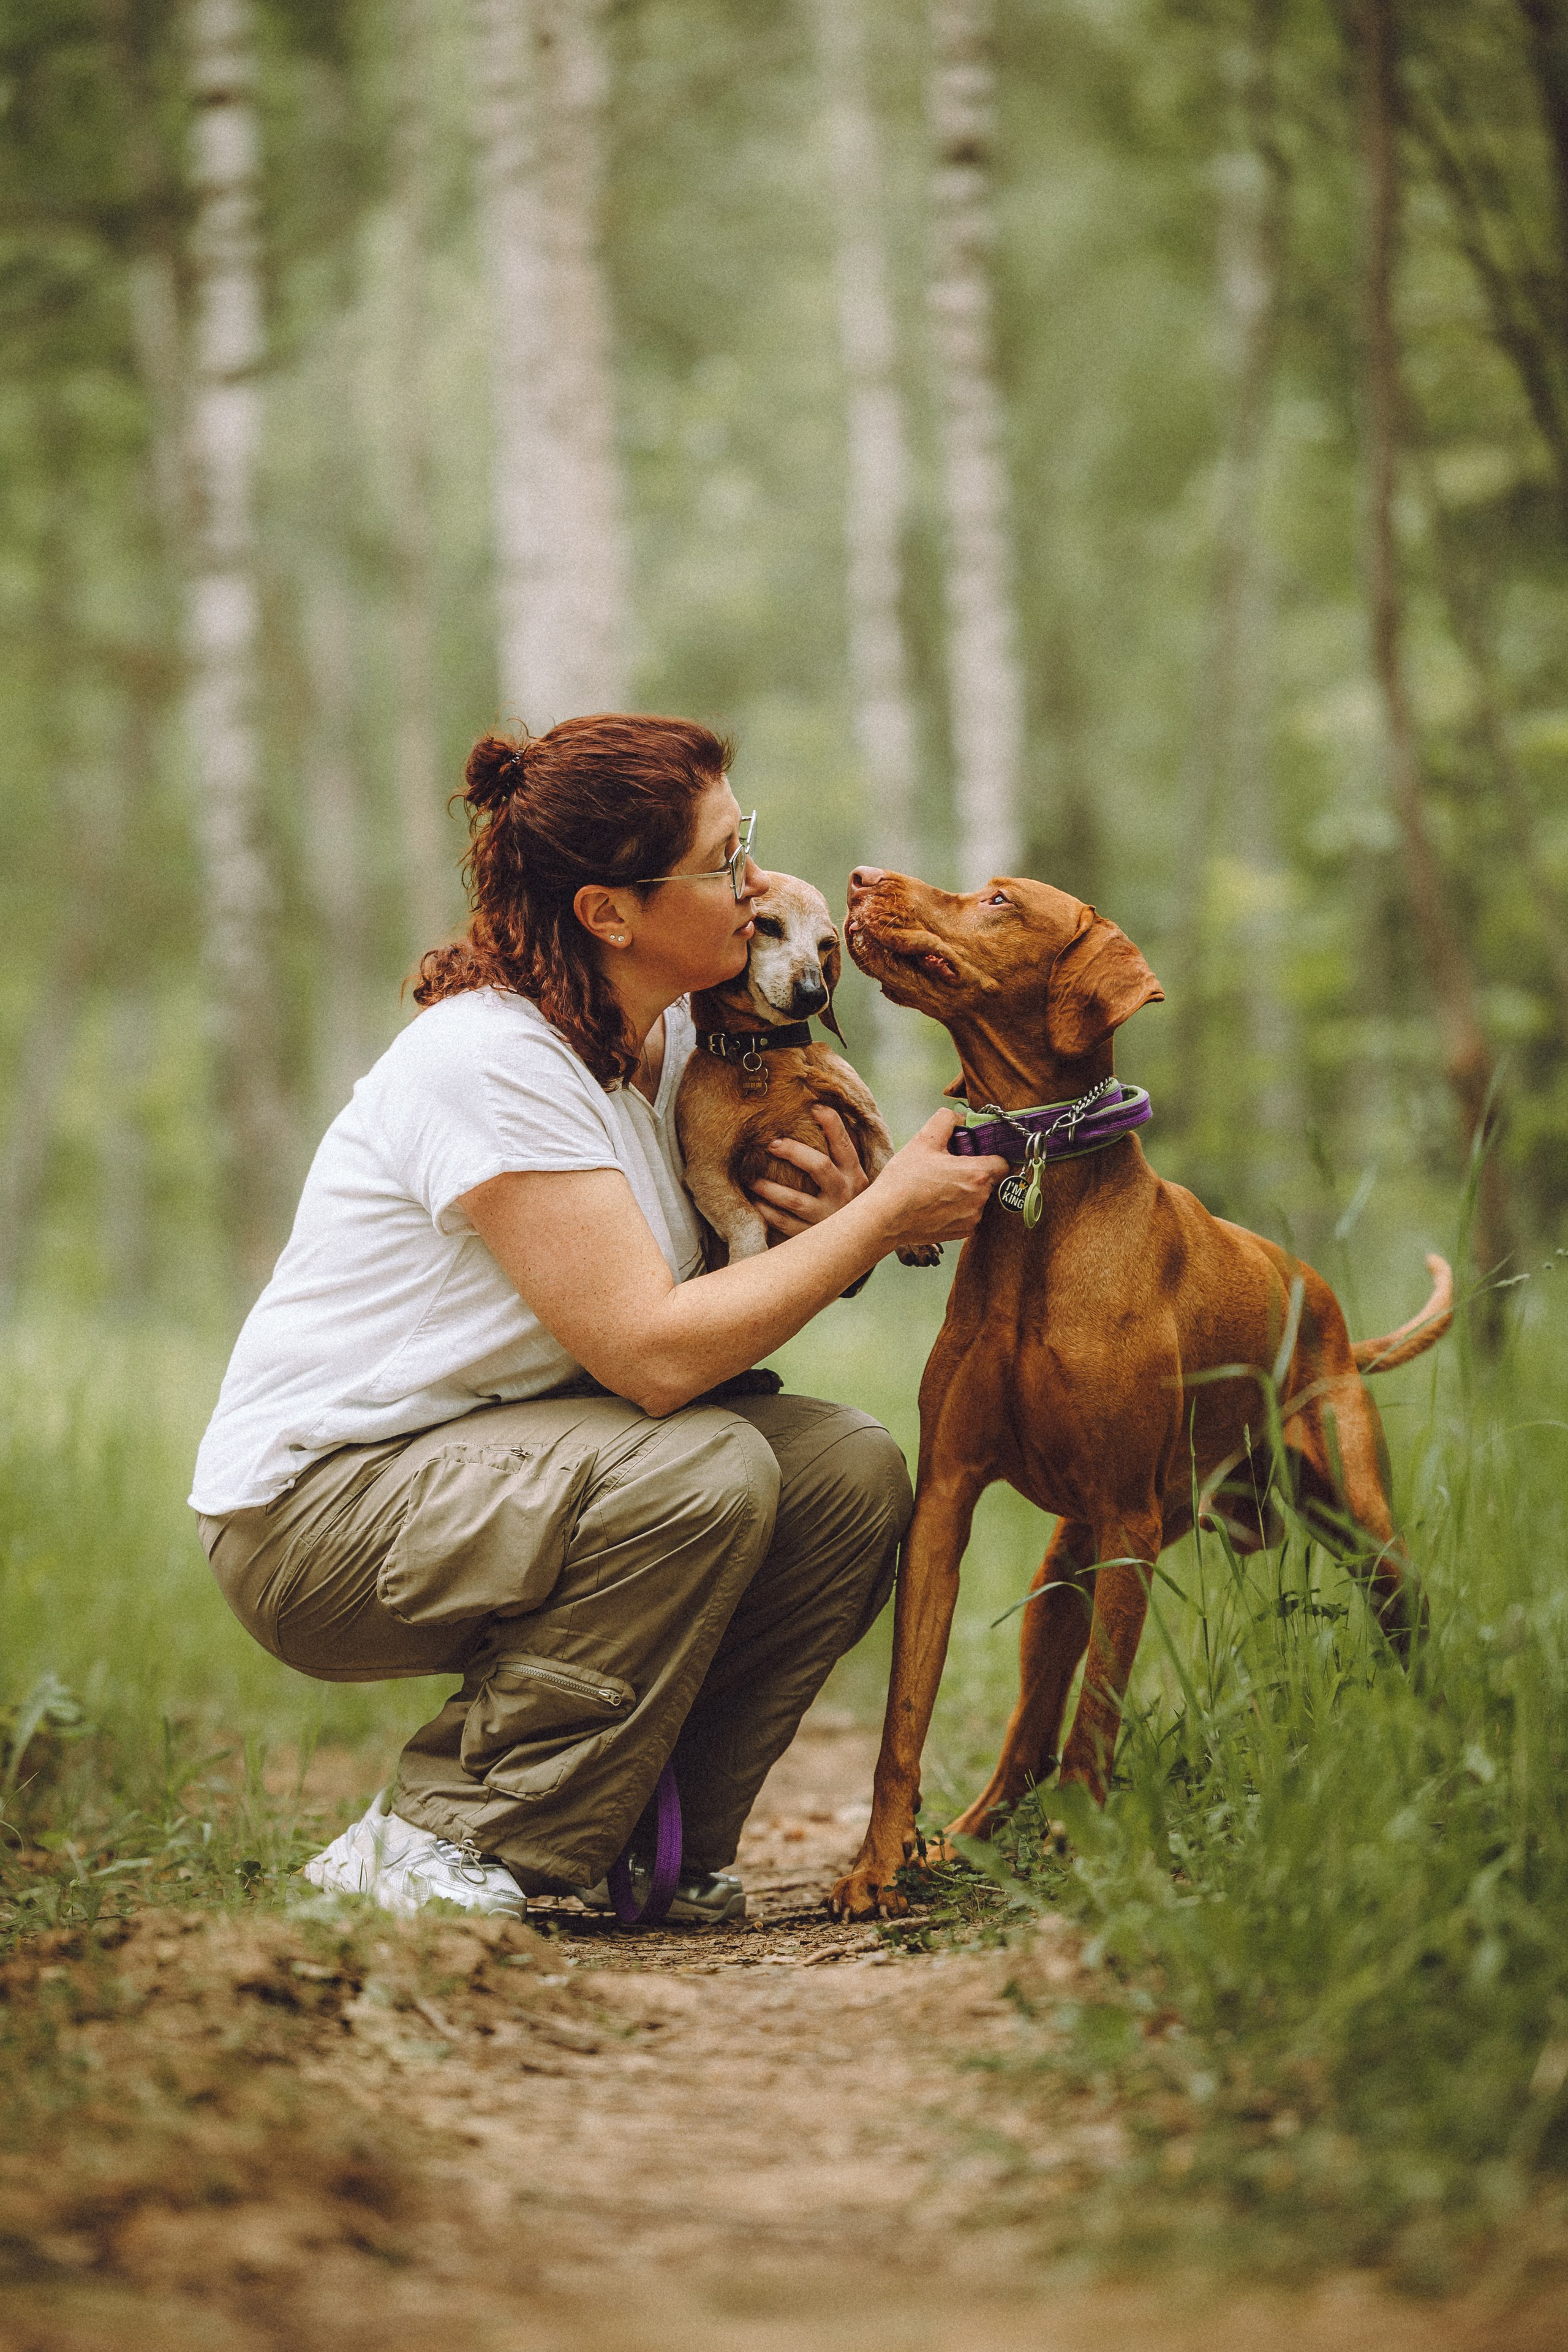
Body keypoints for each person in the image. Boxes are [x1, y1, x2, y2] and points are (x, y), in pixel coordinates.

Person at [189, 714, 1005, 1921]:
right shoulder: (493, 1063)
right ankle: (439, 1844)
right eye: (723, 861)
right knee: (706, 1468)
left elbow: (711, 1306)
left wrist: (836, 1223)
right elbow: (654, 1357)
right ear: (607, 912)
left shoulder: (674, 1044)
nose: (753, 884)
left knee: (843, 1472)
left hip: (506, 1464)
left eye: (751, 844)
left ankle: (639, 1844)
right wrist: (878, 1219)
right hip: (320, 1515)